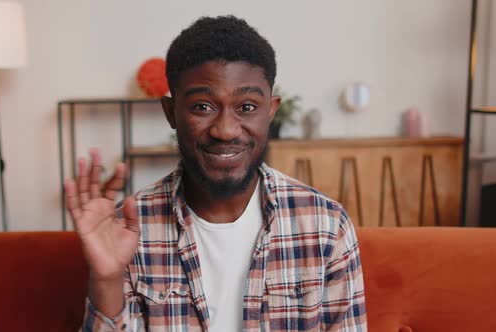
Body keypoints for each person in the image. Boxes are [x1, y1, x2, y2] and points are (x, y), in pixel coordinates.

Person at [65, 15, 366, 332]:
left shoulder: (326, 224)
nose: (225, 130)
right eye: (202, 107)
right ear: (171, 113)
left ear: (271, 112)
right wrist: (107, 280)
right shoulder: (127, 229)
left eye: (247, 106)